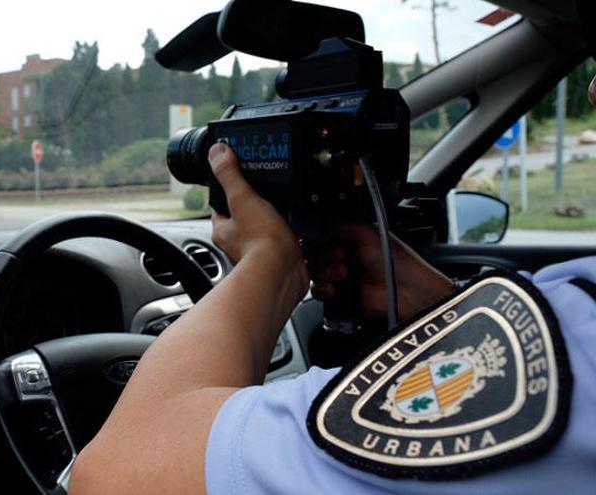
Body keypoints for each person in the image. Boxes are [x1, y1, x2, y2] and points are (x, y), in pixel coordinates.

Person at [69, 79, 596, 494]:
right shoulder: (577, 315)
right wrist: (444, 308)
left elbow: (114, 475)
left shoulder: (576, 354)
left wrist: (267, 261)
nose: (593, 90)